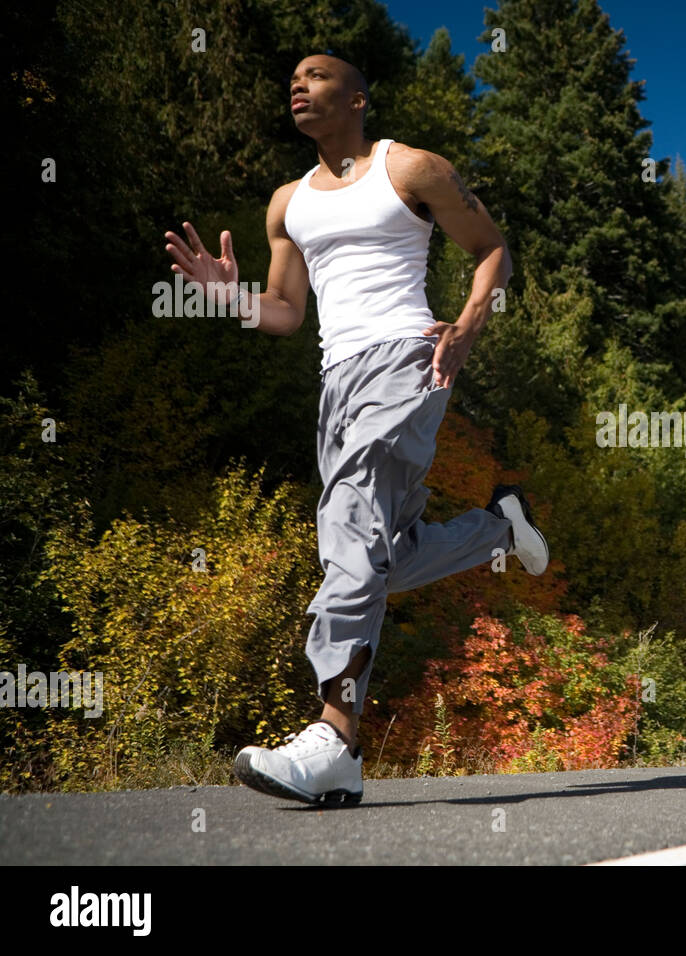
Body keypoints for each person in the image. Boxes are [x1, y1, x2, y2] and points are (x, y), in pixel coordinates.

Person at [162, 52, 548, 806]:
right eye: (292, 79)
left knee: (347, 536)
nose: (297, 84)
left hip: (406, 359)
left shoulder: (409, 169)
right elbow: (285, 312)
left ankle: (335, 737)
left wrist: (467, 328)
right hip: (335, 384)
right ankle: (500, 530)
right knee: (374, 555)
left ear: (358, 99)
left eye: (315, 75)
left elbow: (492, 249)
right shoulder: (287, 204)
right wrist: (229, 297)